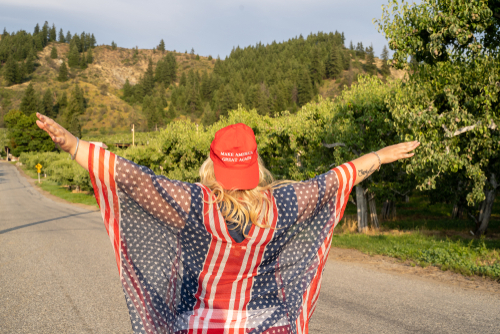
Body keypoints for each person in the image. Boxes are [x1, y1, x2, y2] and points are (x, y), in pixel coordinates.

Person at [36, 113, 419, 334]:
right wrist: (381, 156)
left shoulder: (191, 204)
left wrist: (73, 146)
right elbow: (336, 180)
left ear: (212, 166)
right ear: (256, 166)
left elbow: (132, 177)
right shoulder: (281, 205)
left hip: (201, 325)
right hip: (270, 325)